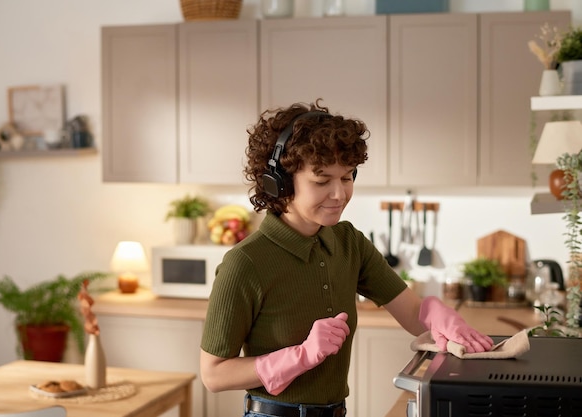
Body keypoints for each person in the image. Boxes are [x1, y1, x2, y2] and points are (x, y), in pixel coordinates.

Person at [200, 100, 493, 417]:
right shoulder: (246, 263)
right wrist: (302, 355)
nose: (339, 194)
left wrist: (435, 313)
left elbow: (409, 310)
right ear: (280, 182)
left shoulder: (347, 241)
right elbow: (214, 374)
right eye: (322, 180)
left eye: (348, 177)